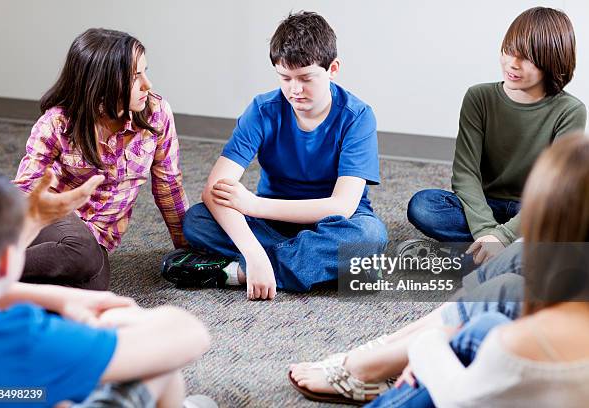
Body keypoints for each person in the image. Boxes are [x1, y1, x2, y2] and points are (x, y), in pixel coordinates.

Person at [290, 132, 589, 407]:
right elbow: (466, 173)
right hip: (493, 217)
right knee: (506, 269)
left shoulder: (515, 346)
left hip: (473, 378)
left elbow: (460, 397)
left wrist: (428, 346)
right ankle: (385, 350)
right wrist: (489, 230)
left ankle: (370, 364)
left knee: (494, 306)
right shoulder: (484, 96)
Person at [161, 11, 387, 300]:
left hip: (333, 222)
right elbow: (214, 190)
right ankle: (327, 268)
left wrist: (254, 206)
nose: (295, 90)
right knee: (197, 221)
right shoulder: (262, 109)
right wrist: (254, 252)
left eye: (306, 78)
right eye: (285, 78)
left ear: (333, 69)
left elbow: (341, 206)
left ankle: (236, 273)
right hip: (274, 221)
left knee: (369, 237)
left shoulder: (358, 116)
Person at [0, 165, 215, 408]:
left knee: (37, 393)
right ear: (6, 261)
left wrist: (57, 297)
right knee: (159, 364)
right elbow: (189, 334)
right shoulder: (26, 337)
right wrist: (121, 320)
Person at [401, 7, 586, 266]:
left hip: (534, 209)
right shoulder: (479, 98)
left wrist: (504, 235)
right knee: (423, 206)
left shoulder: (570, 111)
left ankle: (462, 260)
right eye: (509, 50)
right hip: (484, 206)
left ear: (552, 62)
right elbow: (465, 174)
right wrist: (489, 232)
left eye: (527, 58)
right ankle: (507, 258)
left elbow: (554, 193)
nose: (513, 63)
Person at [14, 28, 189, 290]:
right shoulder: (57, 122)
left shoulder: (156, 114)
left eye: (146, 71)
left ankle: (0, 284)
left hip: (96, 241)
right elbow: (26, 189)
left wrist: (187, 248)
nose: (147, 84)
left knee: (93, 284)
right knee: (80, 252)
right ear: (102, 82)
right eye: (135, 76)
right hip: (51, 220)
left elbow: (169, 186)